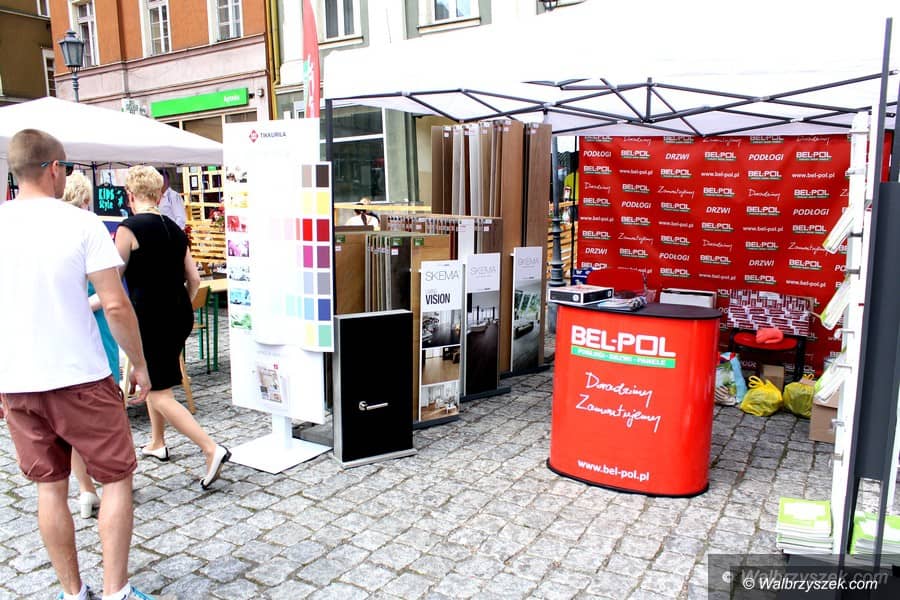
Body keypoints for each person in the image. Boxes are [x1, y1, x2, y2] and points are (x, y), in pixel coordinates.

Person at [0, 129, 153, 600]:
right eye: (64, 167)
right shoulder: (81, 224)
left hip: (18, 379)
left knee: (49, 488)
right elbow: (116, 304)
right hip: (80, 375)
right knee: (116, 478)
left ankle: (72, 592)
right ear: (53, 169)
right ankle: (115, 590)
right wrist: (139, 364)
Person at [116, 165, 229, 491]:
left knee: (158, 391)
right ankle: (157, 442)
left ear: (130, 195)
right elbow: (193, 279)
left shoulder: (128, 229)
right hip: (178, 314)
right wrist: (180, 306)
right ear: (160, 193)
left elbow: (112, 277)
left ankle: (211, 448)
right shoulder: (175, 230)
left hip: (148, 317)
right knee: (159, 377)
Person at [63, 172, 120, 520]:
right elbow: (111, 296)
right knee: (106, 411)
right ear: (85, 200)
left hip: (61, 336)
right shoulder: (89, 229)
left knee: (71, 423)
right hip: (95, 327)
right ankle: (114, 481)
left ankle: (86, 489)